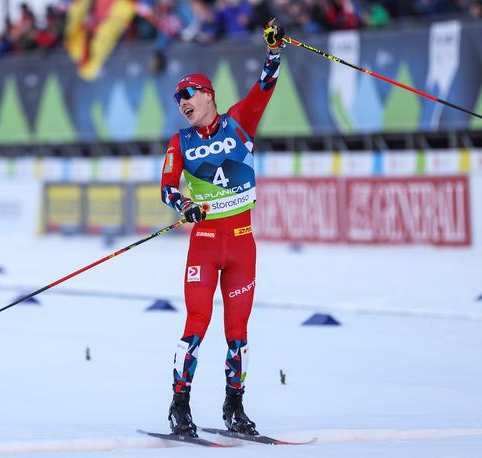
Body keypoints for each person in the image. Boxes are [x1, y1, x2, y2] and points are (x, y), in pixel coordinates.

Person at [159, 18, 285, 437]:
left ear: (208, 95)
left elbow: (265, 86)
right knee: (196, 324)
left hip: (243, 245)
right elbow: (166, 188)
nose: (182, 102)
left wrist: (274, 50)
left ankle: (235, 408)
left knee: (238, 334)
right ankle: (180, 407)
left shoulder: (240, 122)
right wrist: (183, 204)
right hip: (206, 244)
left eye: (188, 94)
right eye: (178, 98)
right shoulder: (180, 141)